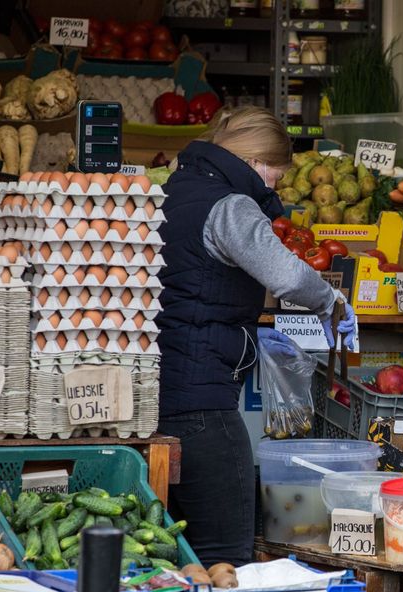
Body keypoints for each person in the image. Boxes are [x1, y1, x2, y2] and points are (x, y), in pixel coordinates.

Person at [157, 107, 355, 566]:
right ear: (257, 162)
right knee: (226, 551)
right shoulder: (230, 206)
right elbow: (285, 275)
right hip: (202, 396)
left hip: (161, 385)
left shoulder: (173, 189)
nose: (275, 188)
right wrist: (331, 302)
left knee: (179, 552)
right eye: (277, 177)